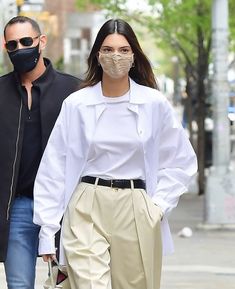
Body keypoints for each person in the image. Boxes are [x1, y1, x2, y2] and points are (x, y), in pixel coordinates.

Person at [33, 19, 197, 289]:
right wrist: (47, 230)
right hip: (86, 202)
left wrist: (157, 207)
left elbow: (181, 160)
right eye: (108, 50)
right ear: (97, 55)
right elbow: (54, 167)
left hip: (136, 206)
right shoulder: (77, 104)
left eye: (123, 50)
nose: (115, 57)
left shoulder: (153, 103)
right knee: (87, 284)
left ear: (134, 56)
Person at [0, 16, 81, 289]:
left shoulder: (74, 91)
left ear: (41, 42)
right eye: (12, 44)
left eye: (26, 41)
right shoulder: (0, 92)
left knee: (67, 285)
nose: (19, 48)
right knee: (19, 284)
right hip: (18, 208)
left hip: (64, 209)